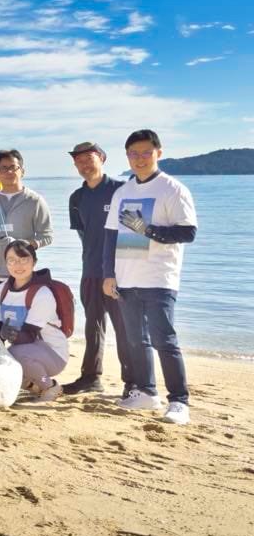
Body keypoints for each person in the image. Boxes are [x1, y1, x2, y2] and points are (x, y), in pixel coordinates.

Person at [103, 129, 197, 425]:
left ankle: (179, 401)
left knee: (164, 339)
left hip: (159, 278)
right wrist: (109, 275)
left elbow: (187, 232)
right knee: (135, 340)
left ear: (159, 152)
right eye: (134, 154)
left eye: (146, 153)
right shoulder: (123, 191)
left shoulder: (173, 189)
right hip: (126, 278)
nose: (140, 159)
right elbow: (110, 237)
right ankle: (146, 392)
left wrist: (148, 230)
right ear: (127, 157)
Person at [65, 141, 132, 395]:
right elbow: (84, 234)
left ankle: (133, 381)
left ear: (102, 158)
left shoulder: (122, 190)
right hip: (90, 270)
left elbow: (135, 232)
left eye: (88, 157)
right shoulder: (77, 197)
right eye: (78, 160)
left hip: (121, 274)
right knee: (93, 326)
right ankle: (91, 378)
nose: (83, 163)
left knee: (124, 327)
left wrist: (116, 270)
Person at [0, 149, 54, 328]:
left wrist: (29, 244)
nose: (9, 172)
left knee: (22, 331)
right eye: (3, 168)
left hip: (21, 275)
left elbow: (47, 236)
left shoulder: (34, 201)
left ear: (22, 171)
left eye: (13, 167)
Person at [0, 240, 67, 402]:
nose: (18, 265)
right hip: (24, 349)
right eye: (12, 260)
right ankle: (35, 387)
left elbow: (29, 336)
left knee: (14, 355)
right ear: (5, 263)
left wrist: (8, 334)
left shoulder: (42, 294)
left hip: (53, 353)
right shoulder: (1, 290)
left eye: (24, 259)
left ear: (34, 262)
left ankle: (49, 386)